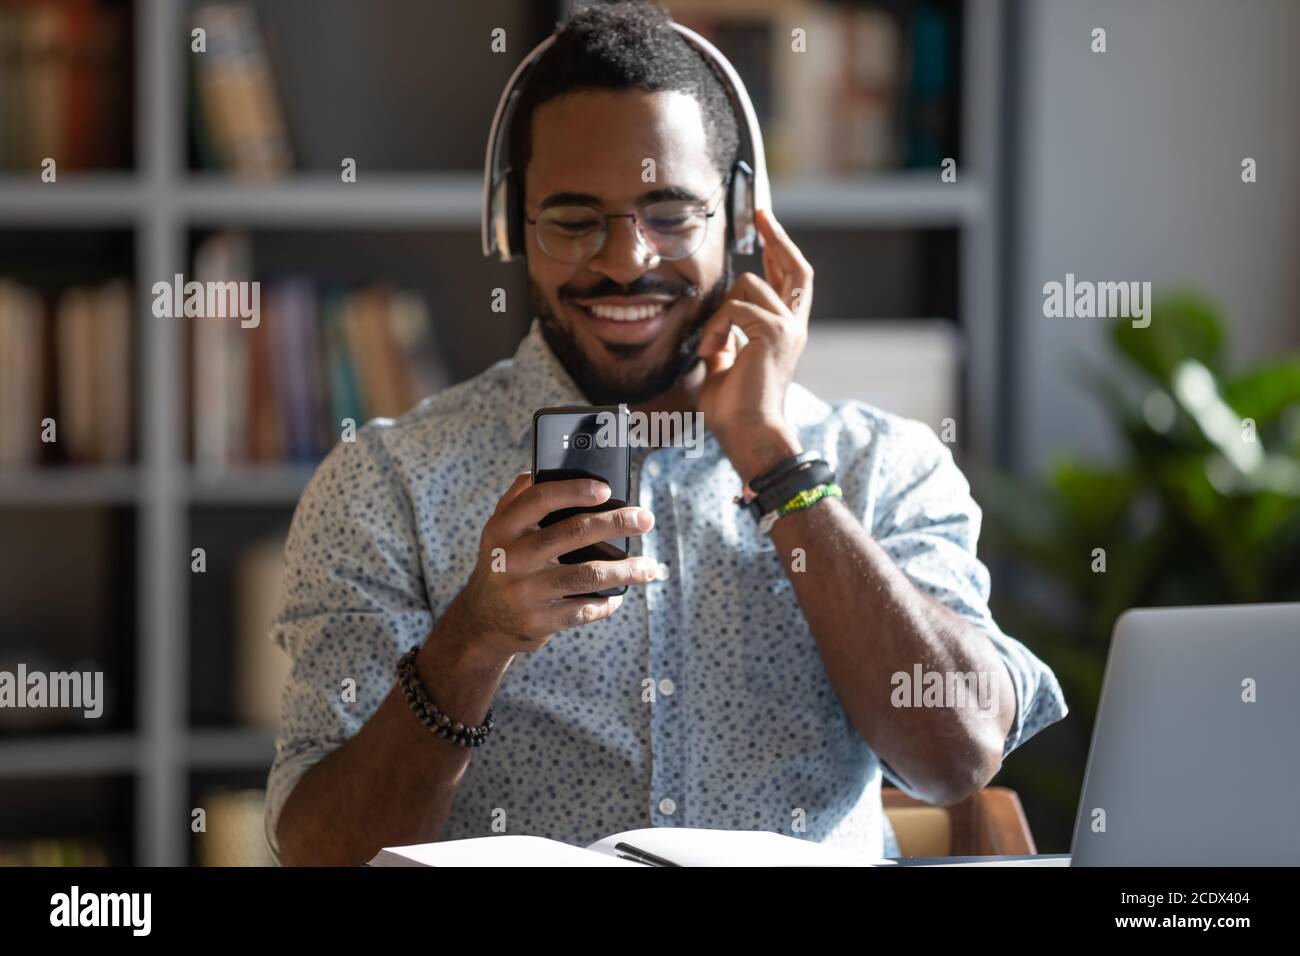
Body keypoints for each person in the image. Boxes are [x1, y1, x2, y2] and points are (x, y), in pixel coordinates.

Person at [266, 1, 1066, 866]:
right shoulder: (387, 483)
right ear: (509, 226)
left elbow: (956, 757)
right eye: (573, 219)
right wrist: (473, 641)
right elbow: (324, 855)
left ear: (744, 220)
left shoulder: (883, 466)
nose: (625, 261)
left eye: (671, 213)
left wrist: (775, 460)